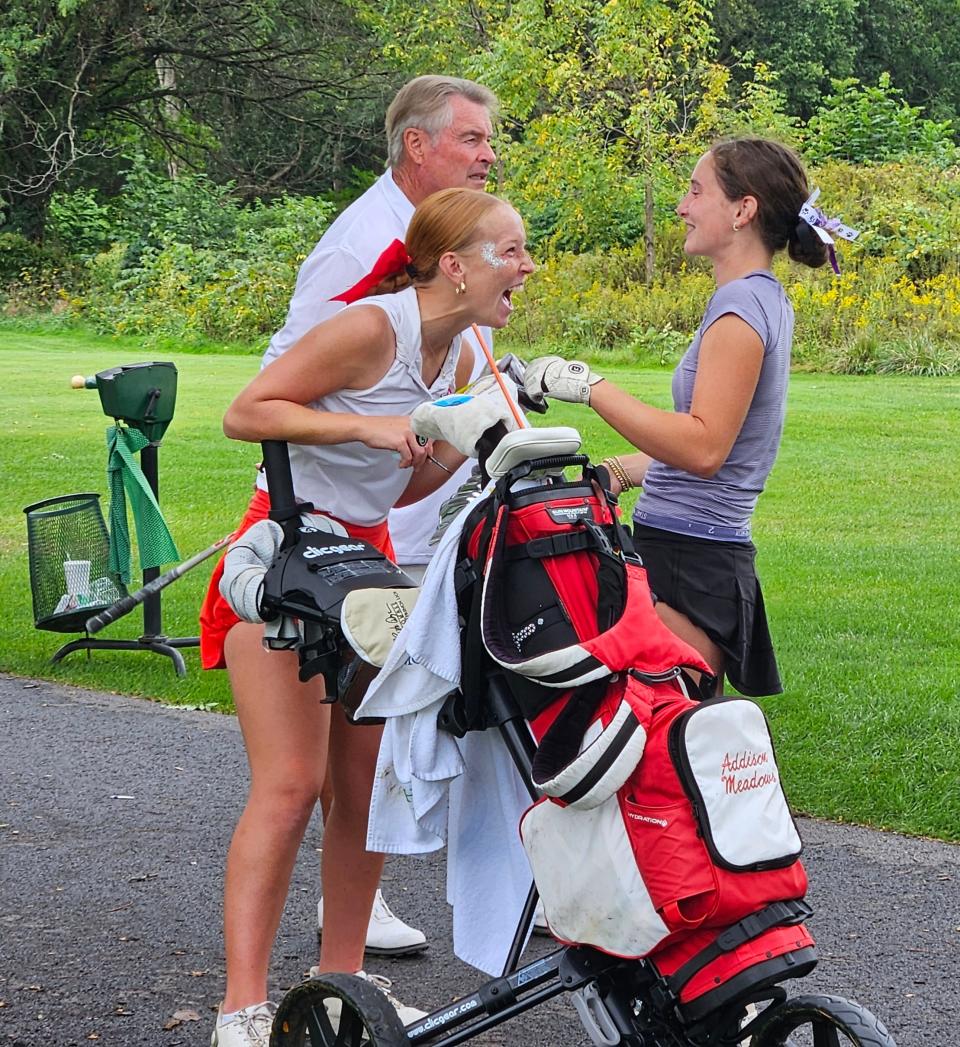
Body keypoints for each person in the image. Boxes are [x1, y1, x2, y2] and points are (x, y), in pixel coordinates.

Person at [201, 186, 535, 1047]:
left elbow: (409, 479)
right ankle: (240, 1008)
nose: (527, 267)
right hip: (281, 559)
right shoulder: (369, 329)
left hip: (370, 574)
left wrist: (464, 445)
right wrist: (377, 429)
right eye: (512, 250)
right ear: (454, 265)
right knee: (288, 786)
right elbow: (247, 412)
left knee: (367, 791)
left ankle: (341, 980)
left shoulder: (464, 354)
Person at [261, 73, 499, 953]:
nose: (486, 156)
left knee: (370, 745)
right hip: (336, 530)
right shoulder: (357, 242)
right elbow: (285, 390)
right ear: (417, 146)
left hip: (394, 511)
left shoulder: (452, 243)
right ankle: (327, 926)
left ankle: (349, 920)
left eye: (487, 142)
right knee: (324, 752)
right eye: (472, 140)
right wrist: (365, 450)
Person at [522, 137, 839, 697]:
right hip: (687, 549)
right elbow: (720, 444)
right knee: (657, 747)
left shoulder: (741, 308)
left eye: (696, 191)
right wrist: (621, 470)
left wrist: (588, 386)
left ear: (743, 211)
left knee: (660, 758)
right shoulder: (758, 299)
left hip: (692, 560)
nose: (682, 206)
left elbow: (703, 448)